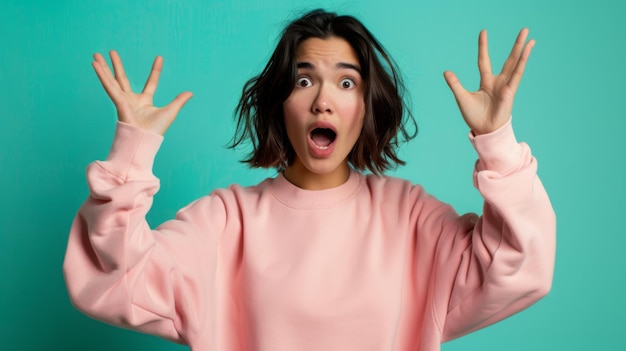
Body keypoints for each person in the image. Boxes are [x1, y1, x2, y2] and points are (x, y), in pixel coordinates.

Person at [63, 9, 556, 351]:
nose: (323, 100)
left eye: (346, 82)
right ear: (281, 102)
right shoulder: (225, 221)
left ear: (365, 107)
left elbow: (519, 267)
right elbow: (113, 278)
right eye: (304, 80)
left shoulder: (407, 216)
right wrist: (132, 151)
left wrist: (497, 140)